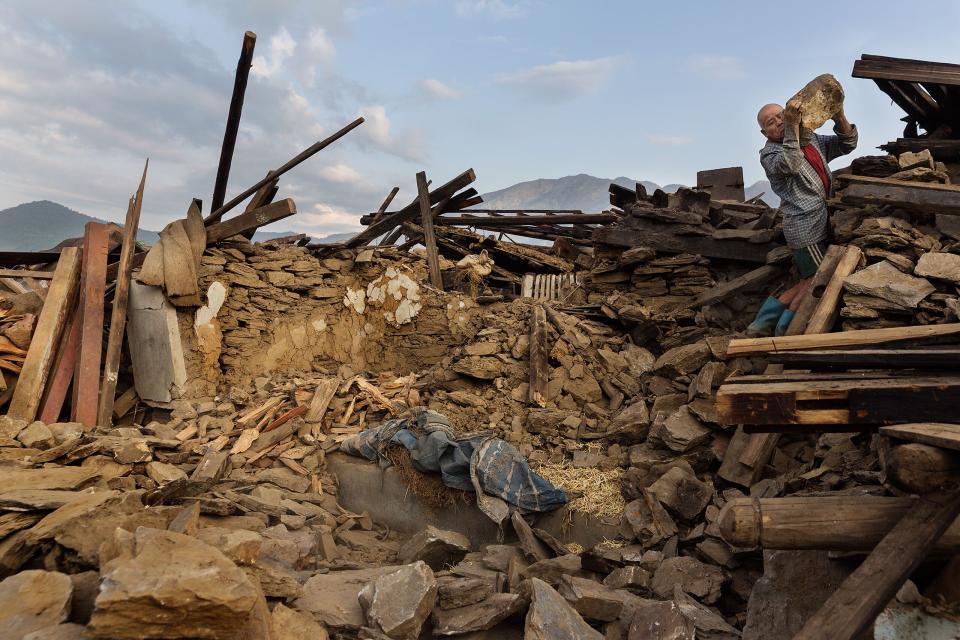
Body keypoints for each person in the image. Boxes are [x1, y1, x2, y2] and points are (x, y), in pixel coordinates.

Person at [746, 99, 858, 336]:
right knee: (816, 283)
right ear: (763, 132)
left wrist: (839, 116)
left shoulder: (811, 140)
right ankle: (785, 333)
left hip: (820, 222)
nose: (779, 121)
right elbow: (791, 163)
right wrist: (793, 127)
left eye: (781, 115)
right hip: (805, 228)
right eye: (771, 122)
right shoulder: (770, 154)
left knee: (808, 282)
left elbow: (848, 144)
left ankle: (761, 327)